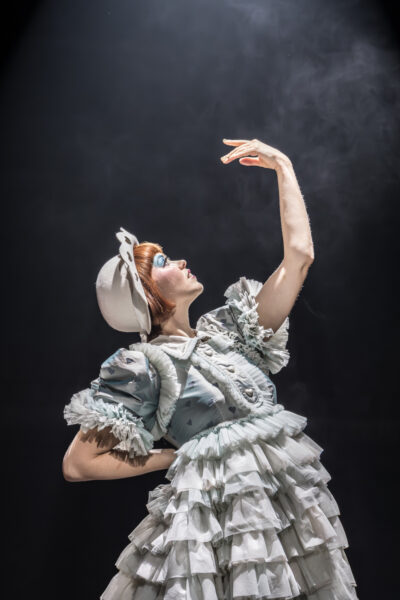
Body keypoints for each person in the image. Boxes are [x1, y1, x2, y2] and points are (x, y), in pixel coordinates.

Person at [62, 138, 359, 599]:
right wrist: (177, 457)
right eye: (163, 262)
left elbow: (299, 258)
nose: (180, 260)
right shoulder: (143, 365)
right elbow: (79, 464)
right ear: (146, 294)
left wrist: (283, 167)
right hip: (220, 531)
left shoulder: (228, 332)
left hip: (284, 516)